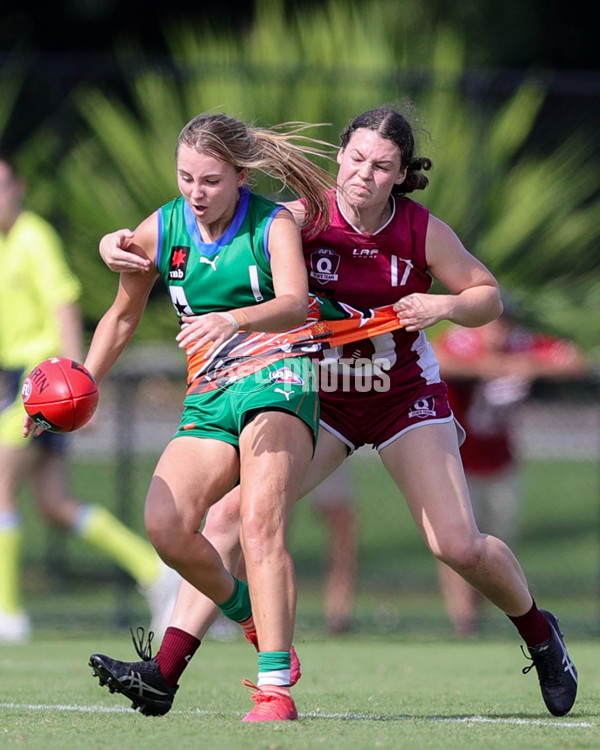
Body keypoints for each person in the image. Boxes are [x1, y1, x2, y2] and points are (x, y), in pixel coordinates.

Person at [88, 105, 578, 720]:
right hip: (325, 401)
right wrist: (120, 243)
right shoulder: (299, 218)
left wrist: (444, 304)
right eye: (355, 158)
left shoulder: (419, 231)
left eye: (382, 166)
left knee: (458, 546)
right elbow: (211, 218)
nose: (364, 175)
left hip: (403, 398)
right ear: (339, 153)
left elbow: (489, 298)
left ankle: (540, 632)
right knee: (231, 517)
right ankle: (165, 672)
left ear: (400, 175)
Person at [0, 153, 181, 645]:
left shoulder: (34, 237)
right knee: (55, 504)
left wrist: (78, 387)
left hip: (39, 381)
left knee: (1, 486)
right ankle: (155, 571)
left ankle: (8, 614)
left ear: (19, 188)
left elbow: (64, 309)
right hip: (11, 377)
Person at [432, 307, 589, 636]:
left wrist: (529, 366)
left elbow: (574, 360)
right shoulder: (463, 342)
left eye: (504, 323)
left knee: (493, 547)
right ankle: (462, 620)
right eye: (492, 322)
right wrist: (490, 367)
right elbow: (437, 358)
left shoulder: (521, 346)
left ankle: (481, 618)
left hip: (500, 463)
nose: (498, 330)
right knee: (457, 544)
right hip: (458, 462)